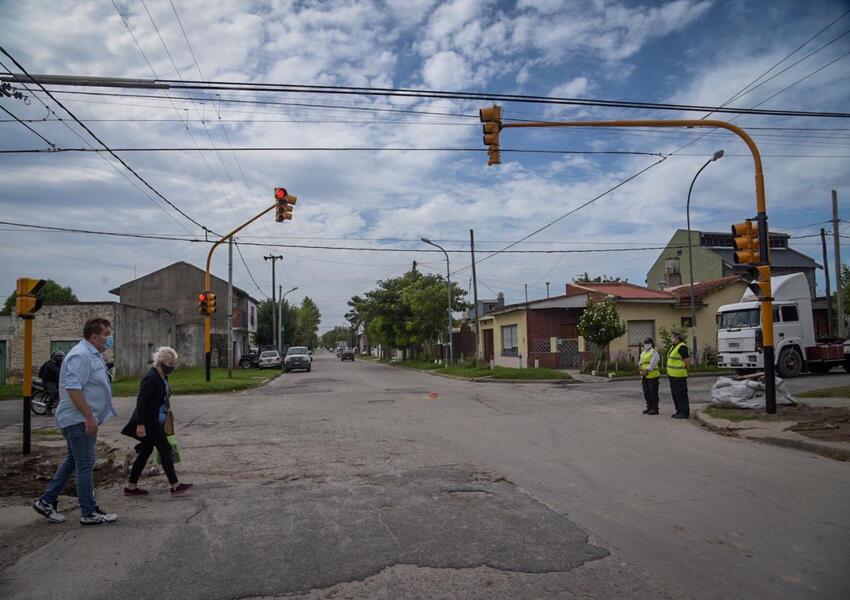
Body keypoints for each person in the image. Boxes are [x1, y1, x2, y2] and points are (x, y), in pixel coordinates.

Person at [32, 318, 118, 525]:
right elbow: (73, 388)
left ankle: (46, 501)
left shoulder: (92, 354)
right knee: (85, 465)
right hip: (78, 419)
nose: (110, 337)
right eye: (107, 334)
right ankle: (88, 512)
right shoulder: (81, 355)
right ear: (94, 336)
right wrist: (88, 416)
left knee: (74, 461)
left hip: (80, 418)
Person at [121, 347, 192, 497]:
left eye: (174, 364)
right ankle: (175, 485)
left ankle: (131, 487)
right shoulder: (151, 378)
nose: (172, 367)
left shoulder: (162, 377)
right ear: (160, 362)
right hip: (148, 421)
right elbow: (141, 402)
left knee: (146, 451)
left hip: (155, 419)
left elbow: (162, 396)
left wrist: (168, 409)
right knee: (165, 449)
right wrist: (140, 424)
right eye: (170, 364)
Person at [666, 331, 692, 419]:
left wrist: (687, 370)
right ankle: (679, 410)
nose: (671, 338)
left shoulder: (682, 347)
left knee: (681, 394)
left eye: (672, 336)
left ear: (677, 337)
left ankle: (684, 412)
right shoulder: (674, 346)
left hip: (679, 375)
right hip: (672, 375)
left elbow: (687, 360)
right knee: (675, 394)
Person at [639, 337, 661, 415]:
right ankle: (649, 407)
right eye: (645, 343)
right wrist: (641, 370)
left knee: (653, 393)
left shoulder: (654, 352)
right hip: (644, 376)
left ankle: (655, 409)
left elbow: (653, 363)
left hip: (652, 376)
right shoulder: (643, 352)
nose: (646, 345)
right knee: (646, 392)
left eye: (648, 343)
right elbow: (640, 362)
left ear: (651, 344)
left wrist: (646, 371)